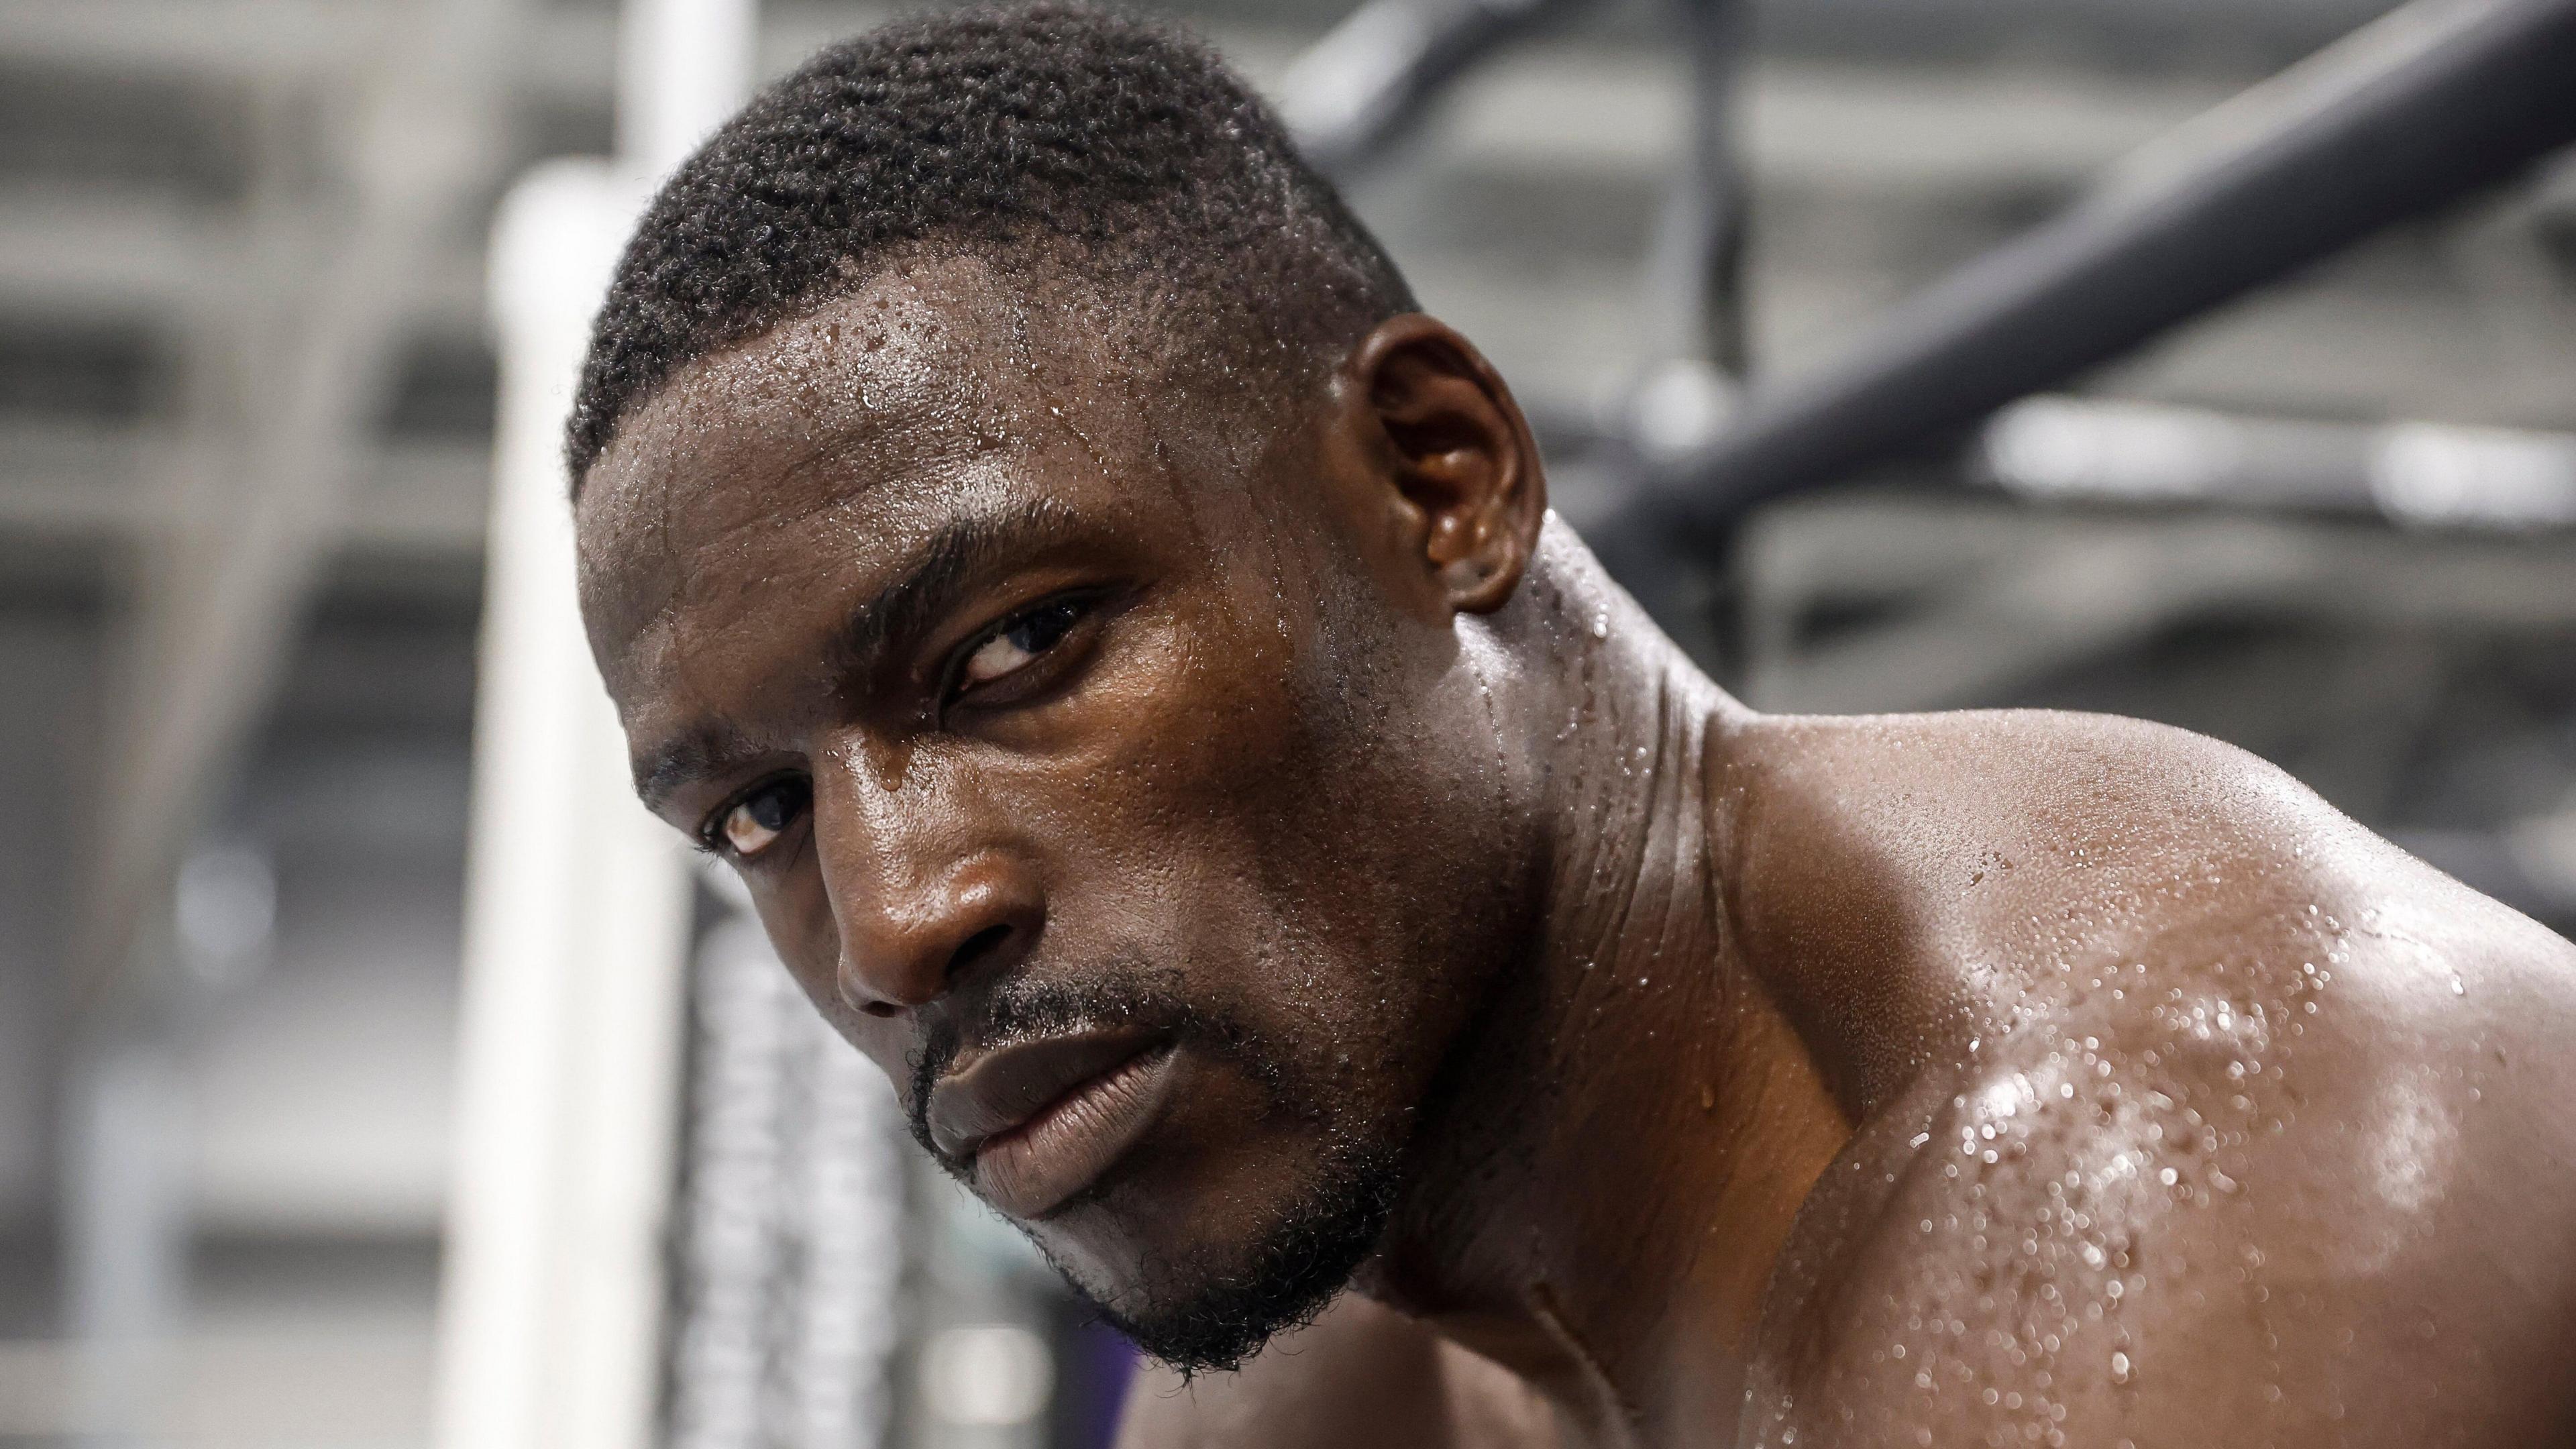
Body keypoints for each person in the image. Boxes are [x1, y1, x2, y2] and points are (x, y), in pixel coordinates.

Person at [567, 6, 2576, 1445]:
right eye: (755, 812)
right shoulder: (1347, 1374)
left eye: (1018, 652)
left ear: (1439, 484)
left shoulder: (2180, 1207)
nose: (898, 919)